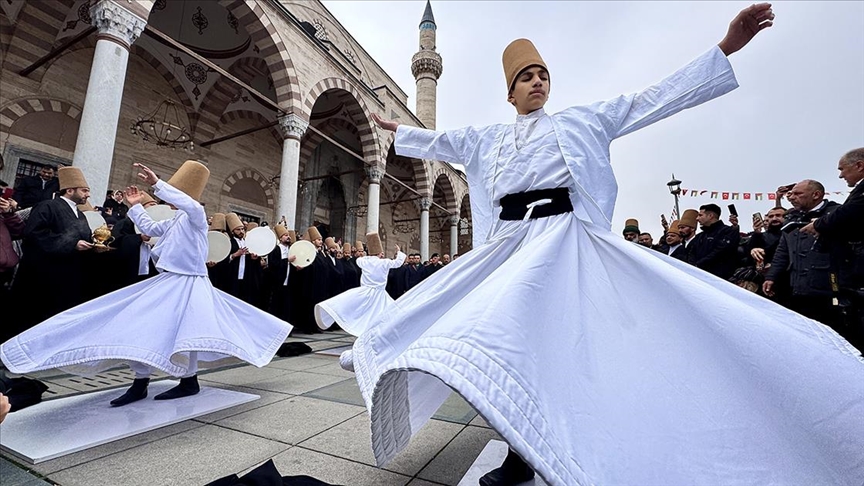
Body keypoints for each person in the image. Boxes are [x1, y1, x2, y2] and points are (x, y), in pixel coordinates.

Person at [348, 5, 863, 485]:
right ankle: (414, 365)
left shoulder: (581, 121)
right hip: (510, 246)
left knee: (554, 347)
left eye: (543, 74)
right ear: (510, 93)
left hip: (562, 244)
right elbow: (442, 141)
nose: (537, 81)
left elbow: (650, 99)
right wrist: (399, 130)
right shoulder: (488, 138)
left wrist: (725, 48)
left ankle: (536, 450)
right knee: (486, 331)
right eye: (526, 77)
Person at [0, 161, 293, 407]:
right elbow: (151, 227)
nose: (166, 198)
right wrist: (136, 206)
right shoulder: (176, 219)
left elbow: (189, 204)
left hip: (189, 284)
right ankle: (141, 382)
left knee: (187, 334)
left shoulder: (194, 216)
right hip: (170, 281)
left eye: (172, 193)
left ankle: (188, 381)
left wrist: (157, 182)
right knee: (139, 325)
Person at [315, 234, 405, 337]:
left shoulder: (363, 261)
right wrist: (399, 252)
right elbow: (398, 263)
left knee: (364, 311)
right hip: (379, 293)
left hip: (365, 292)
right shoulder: (384, 263)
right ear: (380, 253)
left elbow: (358, 260)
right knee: (383, 312)